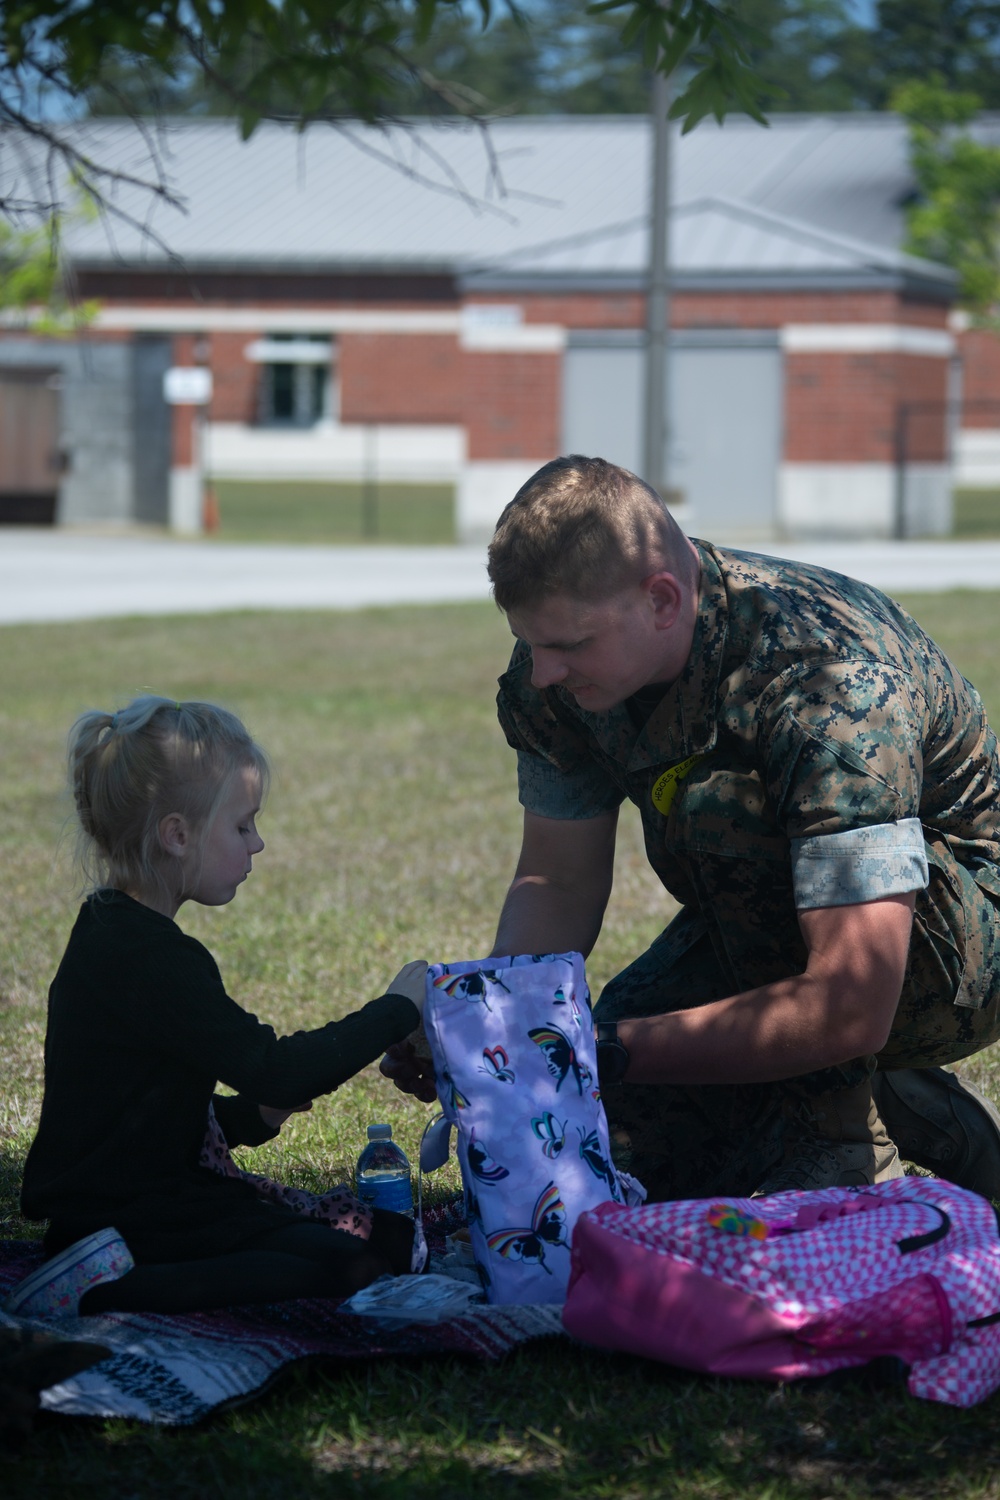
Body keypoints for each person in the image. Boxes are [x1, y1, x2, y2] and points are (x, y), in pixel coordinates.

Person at [384, 454, 1000, 1202]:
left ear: (664, 601)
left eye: (569, 646)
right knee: (626, 1135)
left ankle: (845, 1133)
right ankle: (889, 1096)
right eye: (531, 642)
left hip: (955, 941)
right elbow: (559, 880)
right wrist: (491, 1026)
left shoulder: (827, 686)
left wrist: (593, 1049)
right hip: (764, 929)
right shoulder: (556, 676)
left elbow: (850, 997)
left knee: (642, 1066)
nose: (542, 672)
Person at [9, 696, 426, 1319]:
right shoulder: (153, 956)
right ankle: (99, 1292)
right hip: (134, 1222)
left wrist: (256, 1116)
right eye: (241, 825)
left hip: (132, 1206)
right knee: (356, 1262)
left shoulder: (110, 930)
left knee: (373, 1247)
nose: (257, 843)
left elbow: (147, 1121)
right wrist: (397, 1009)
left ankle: (104, 1276)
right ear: (177, 835)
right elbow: (277, 1067)